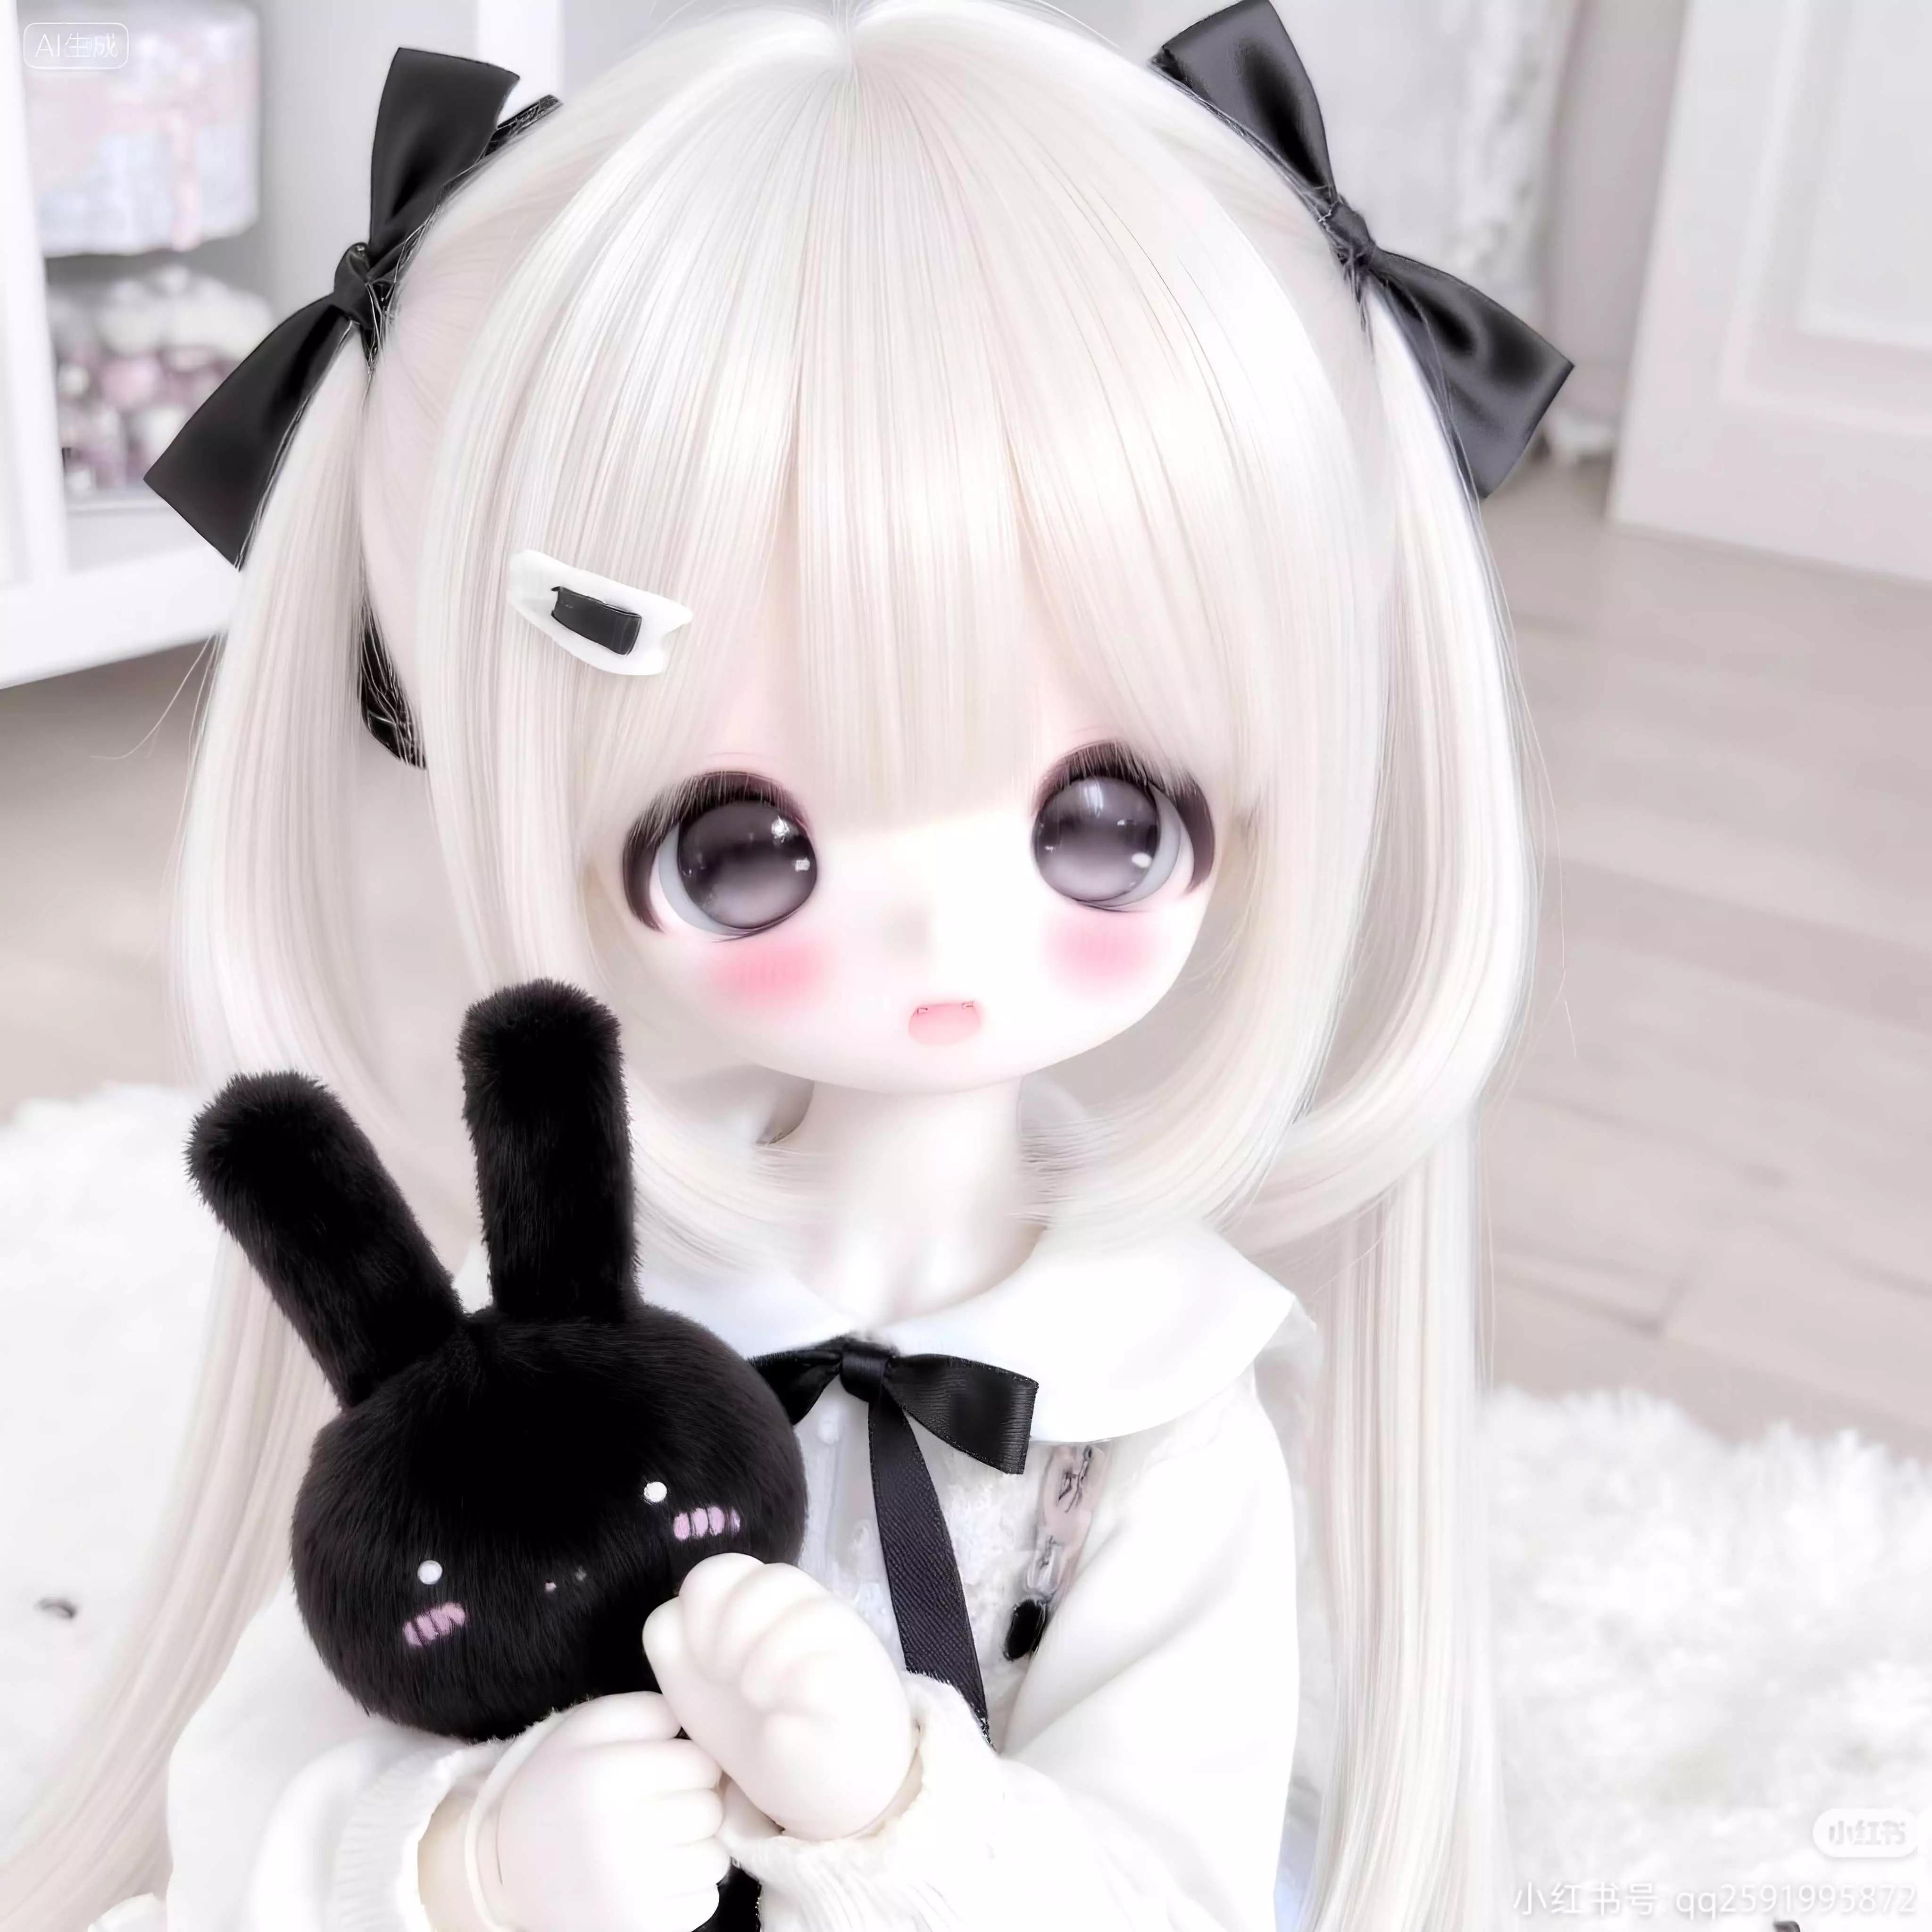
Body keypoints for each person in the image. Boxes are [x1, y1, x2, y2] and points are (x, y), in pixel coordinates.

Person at [2, 3, 1562, 1927]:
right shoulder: (551, 1332)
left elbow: (1177, 1879)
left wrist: (893, 1808)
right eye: (746, 850)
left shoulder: (1156, 1408)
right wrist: (467, 1856)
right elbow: (265, 1774)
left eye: (1104, 824)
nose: (938, 938)